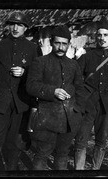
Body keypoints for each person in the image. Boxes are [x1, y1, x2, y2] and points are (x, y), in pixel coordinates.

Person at [0, 11, 37, 171]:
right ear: (9, 26)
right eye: (13, 24)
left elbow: (39, 75)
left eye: (20, 25)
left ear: (26, 28)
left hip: (21, 104)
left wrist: (25, 72)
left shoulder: (33, 48)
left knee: (15, 144)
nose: (16, 28)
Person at [26, 25, 86, 170]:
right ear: (52, 42)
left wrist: (78, 111)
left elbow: (80, 89)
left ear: (69, 45)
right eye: (57, 43)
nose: (60, 47)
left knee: (62, 154)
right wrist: (52, 91)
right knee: (42, 154)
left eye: (64, 44)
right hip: (47, 118)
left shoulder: (73, 65)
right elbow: (31, 86)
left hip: (69, 120)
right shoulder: (40, 62)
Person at [74, 18, 108, 170]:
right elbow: (76, 78)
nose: (102, 38)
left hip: (106, 106)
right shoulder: (86, 57)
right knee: (80, 140)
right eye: (100, 35)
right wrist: (82, 96)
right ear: (96, 37)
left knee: (101, 142)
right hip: (87, 105)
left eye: (106, 35)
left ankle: (95, 170)